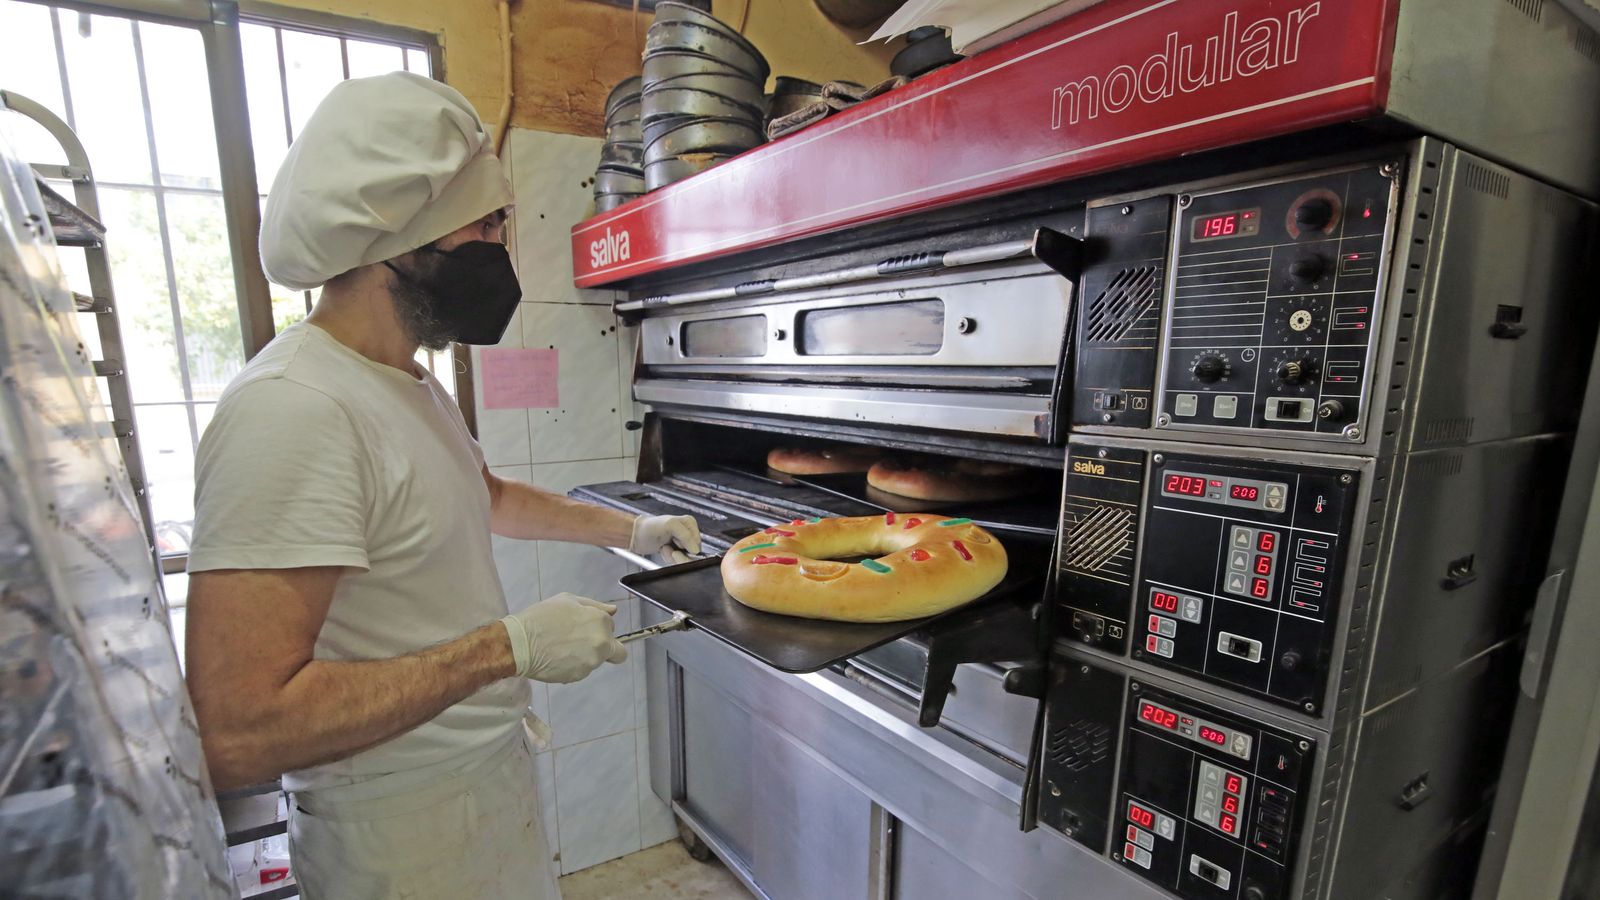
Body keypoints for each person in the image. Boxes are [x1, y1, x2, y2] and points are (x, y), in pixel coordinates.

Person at [183, 72, 699, 900]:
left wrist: (627, 531)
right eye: (490, 225)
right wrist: (510, 647)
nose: (506, 250)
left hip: (480, 788)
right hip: (398, 837)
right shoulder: (293, 410)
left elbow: (481, 495)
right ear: (403, 237)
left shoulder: (405, 383)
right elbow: (240, 730)